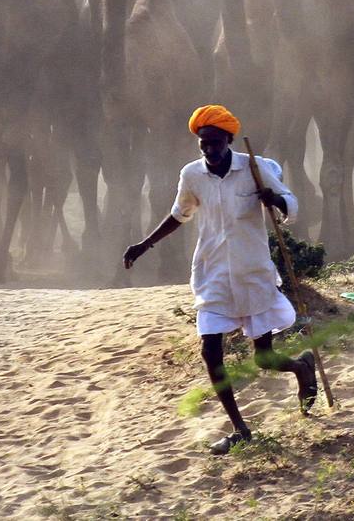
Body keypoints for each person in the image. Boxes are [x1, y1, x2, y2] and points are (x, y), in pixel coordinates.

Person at [122, 104, 318, 455]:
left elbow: (291, 203)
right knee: (210, 351)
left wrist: (276, 200)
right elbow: (179, 215)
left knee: (264, 359)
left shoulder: (255, 168)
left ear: (228, 139)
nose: (209, 150)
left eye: (215, 143)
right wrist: (144, 245)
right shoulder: (192, 175)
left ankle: (302, 368)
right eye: (203, 145)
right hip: (212, 274)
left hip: (252, 273)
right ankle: (240, 429)